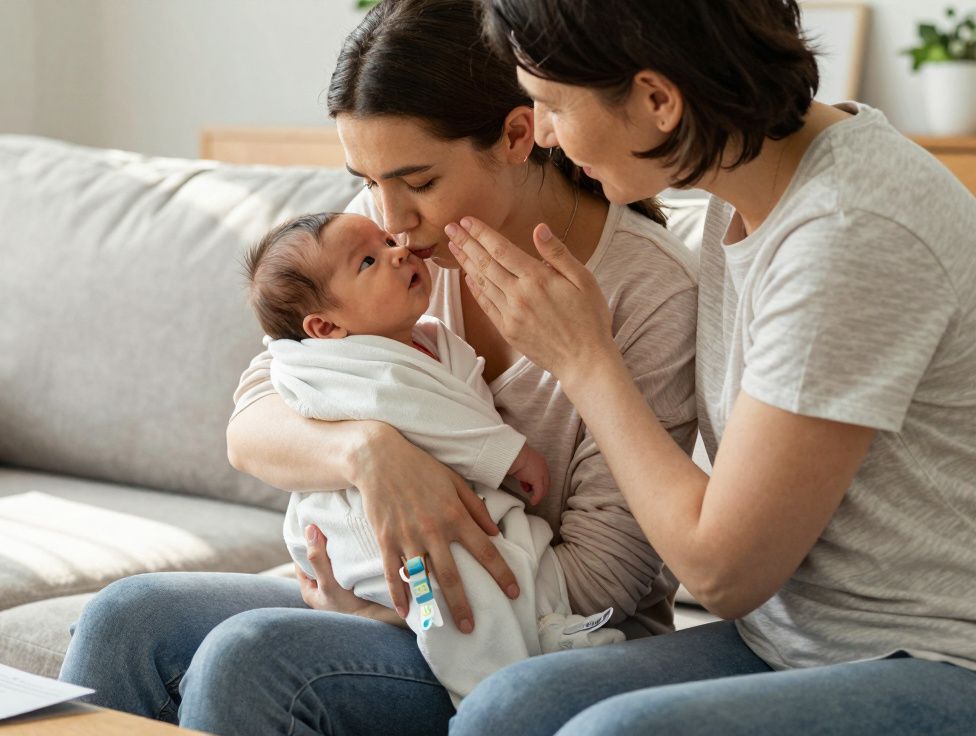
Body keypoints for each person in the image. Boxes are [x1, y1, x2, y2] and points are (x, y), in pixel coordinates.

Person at [58, 0, 696, 732]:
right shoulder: (392, 246)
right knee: (125, 618)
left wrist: (396, 608)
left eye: (418, 182)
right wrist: (370, 454)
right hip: (403, 599)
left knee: (252, 655)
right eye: (365, 179)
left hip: (546, 637)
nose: (390, 217)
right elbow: (255, 421)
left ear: (519, 134)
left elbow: (604, 585)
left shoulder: (649, 293)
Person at [433, 0, 976, 733]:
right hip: (789, 642)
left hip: (936, 657)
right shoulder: (746, 186)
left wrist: (586, 361)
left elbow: (722, 573)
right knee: (506, 710)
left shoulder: (847, 233)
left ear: (658, 99)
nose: (550, 138)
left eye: (554, 106)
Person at [247, 211, 623, 703]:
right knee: (462, 592)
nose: (398, 247)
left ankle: (551, 629)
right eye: (369, 260)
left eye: (384, 240)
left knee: (525, 547)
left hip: (440, 507)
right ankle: (488, 690)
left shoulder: (418, 336)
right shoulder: (351, 366)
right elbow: (431, 415)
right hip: (359, 524)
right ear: (323, 326)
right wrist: (508, 455)